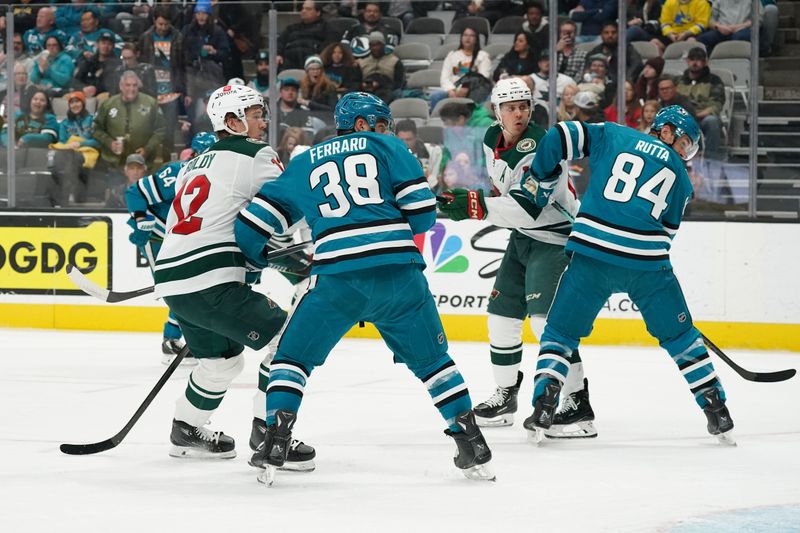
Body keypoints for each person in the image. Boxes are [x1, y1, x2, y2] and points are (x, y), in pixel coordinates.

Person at [234, 92, 495, 485]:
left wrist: (254, 260)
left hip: (337, 280)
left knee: (290, 360)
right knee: (435, 363)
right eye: (379, 122)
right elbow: (423, 218)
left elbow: (250, 227)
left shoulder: (305, 161)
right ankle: (471, 442)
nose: (385, 129)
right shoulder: (390, 147)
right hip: (400, 277)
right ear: (359, 124)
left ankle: (275, 438)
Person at [519, 105, 735, 446]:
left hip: (592, 256)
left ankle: (545, 404)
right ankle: (717, 409)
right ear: (667, 131)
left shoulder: (615, 134)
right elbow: (667, 234)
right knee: (681, 338)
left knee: (559, 334)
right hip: (647, 266)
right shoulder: (681, 177)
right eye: (684, 144)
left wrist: (542, 178)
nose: (683, 153)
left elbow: (560, 134)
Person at [152, 85, 316, 468]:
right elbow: (288, 204)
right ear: (232, 121)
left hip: (174, 281)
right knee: (289, 341)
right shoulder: (255, 154)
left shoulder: (193, 164)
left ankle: (186, 428)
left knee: (221, 363)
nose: (264, 120)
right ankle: (270, 433)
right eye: (256, 113)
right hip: (212, 280)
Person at [436, 78, 593, 437]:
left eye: (524, 105)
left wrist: (473, 205)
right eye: (511, 107)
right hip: (523, 239)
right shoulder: (493, 138)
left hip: (554, 238)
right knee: (501, 316)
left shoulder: (542, 146)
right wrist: (470, 198)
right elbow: (505, 191)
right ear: (497, 112)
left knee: (545, 323)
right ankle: (506, 395)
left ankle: (579, 405)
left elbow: (528, 208)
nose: (519, 112)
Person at [124, 132, 217, 366]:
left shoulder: (218, 178)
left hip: (180, 240)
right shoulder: (177, 172)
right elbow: (135, 191)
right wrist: (139, 219)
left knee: (187, 288)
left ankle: (175, 338)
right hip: (156, 238)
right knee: (176, 291)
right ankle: (171, 340)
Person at [92, 70, 167, 171]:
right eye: (128, 85)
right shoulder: (108, 104)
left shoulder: (151, 103)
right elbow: (95, 129)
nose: (131, 89)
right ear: (121, 86)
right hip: (113, 163)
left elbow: (161, 130)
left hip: (142, 164)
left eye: (134, 85)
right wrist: (110, 143)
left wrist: (147, 149)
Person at [50, 91, 100, 205]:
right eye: (71, 102)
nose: (75, 105)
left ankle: (74, 197)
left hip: (88, 152)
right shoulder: (64, 123)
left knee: (74, 159)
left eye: (77, 101)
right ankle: (60, 199)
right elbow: (62, 142)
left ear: (83, 103)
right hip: (68, 153)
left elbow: (97, 141)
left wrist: (80, 144)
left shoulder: (92, 120)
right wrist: (69, 146)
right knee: (58, 158)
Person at [676, 47, 724, 160]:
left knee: (712, 121)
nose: (695, 63)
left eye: (699, 59)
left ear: (705, 62)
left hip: (702, 118)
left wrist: (696, 115)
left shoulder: (714, 80)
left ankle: (709, 160)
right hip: (681, 119)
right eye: (692, 59)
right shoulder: (679, 80)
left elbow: (716, 104)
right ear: (687, 61)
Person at [432, 26, 492, 110]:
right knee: (436, 96)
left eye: (471, 36)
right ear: (461, 38)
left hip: (474, 90)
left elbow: (482, 78)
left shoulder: (482, 56)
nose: (468, 38)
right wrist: (451, 90)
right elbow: (444, 77)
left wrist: (466, 87)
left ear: (476, 39)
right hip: (454, 90)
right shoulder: (452, 55)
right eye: (465, 35)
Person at [358, 31, 405, 104]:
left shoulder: (394, 61)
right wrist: (363, 85)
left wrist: (380, 84)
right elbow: (356, 80)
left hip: (387, 89)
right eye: (372, 45)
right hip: (366, 90)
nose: (375, 48)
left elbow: (399, 82)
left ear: (383, 45)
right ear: (369, 46)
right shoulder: (362, 62)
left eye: (378, 44)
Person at [73, 30, 122, 98]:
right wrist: (83, 88)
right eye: (103, 43)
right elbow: (75, 80)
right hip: (85, 92)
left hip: (104, 94)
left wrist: (95, 89)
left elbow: (113, 84)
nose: (106, 46)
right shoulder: (89, 61)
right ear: (97, 44)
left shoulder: (117, 64)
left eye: (109, 44)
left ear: (113, 46)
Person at [395, 119, 442, 189]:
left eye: (408, 139)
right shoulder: (389, 155)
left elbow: (435, 178)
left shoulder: (434, 151)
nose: (404, 143)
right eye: (401, 140)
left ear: (416, 137)